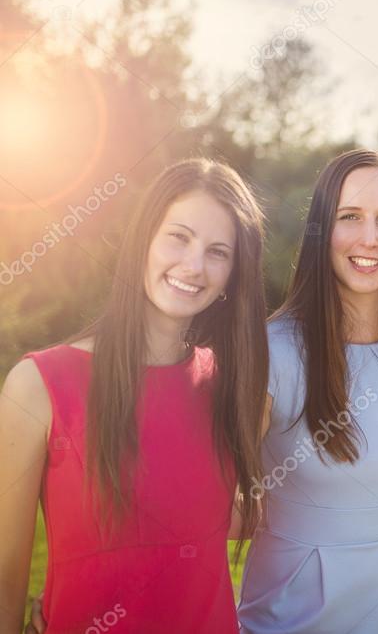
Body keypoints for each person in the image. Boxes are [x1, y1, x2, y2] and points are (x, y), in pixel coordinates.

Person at [0, 159, 269, 634]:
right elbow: (5, 574)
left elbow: (222, 517)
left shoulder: (233, 386)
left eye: (218, 252)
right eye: (178, 237)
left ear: (233, 276)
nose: (193, 265)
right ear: (143, 238)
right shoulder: (38, 385)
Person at [237, 149, 378, 634]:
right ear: (320, 232)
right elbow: (211, 503)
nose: (370, 239)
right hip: (291, 618)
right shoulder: (271, 353)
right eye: (349, 216)